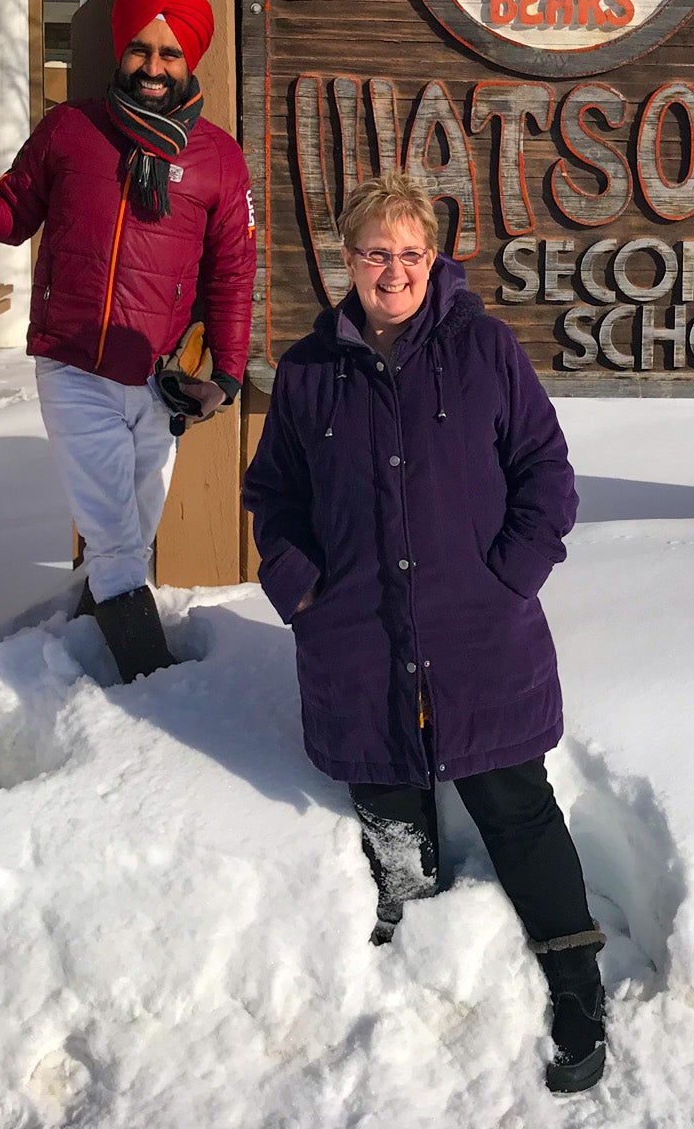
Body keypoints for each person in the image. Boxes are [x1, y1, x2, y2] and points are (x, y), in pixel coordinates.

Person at [241, 171, 606, 1094]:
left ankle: (576, 986)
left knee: (519, 814)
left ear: (432, 259)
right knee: (393, 825)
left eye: (409, 253)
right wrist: (301, 589)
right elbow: (273, 497)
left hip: (482, 643)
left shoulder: (484, 350)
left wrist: (510, 577)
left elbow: (546, 475)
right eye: (375, 253)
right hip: (358, 646)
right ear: (349, 262)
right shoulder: (309, 371)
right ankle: (420, 992)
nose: (393, 270)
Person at [0, 0, 255, 682]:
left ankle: (86, 639)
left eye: (169, 52)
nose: (152, 65)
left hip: (160, 374)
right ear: (122, 50)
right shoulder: (69, 130)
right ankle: (150, 685)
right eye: (140, 48)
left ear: (189, 59)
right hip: (75, 366)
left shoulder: (219, 159)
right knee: (112, 540)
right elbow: (12, 217)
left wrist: (225, 372)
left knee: (132, 532)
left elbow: (232, 271)